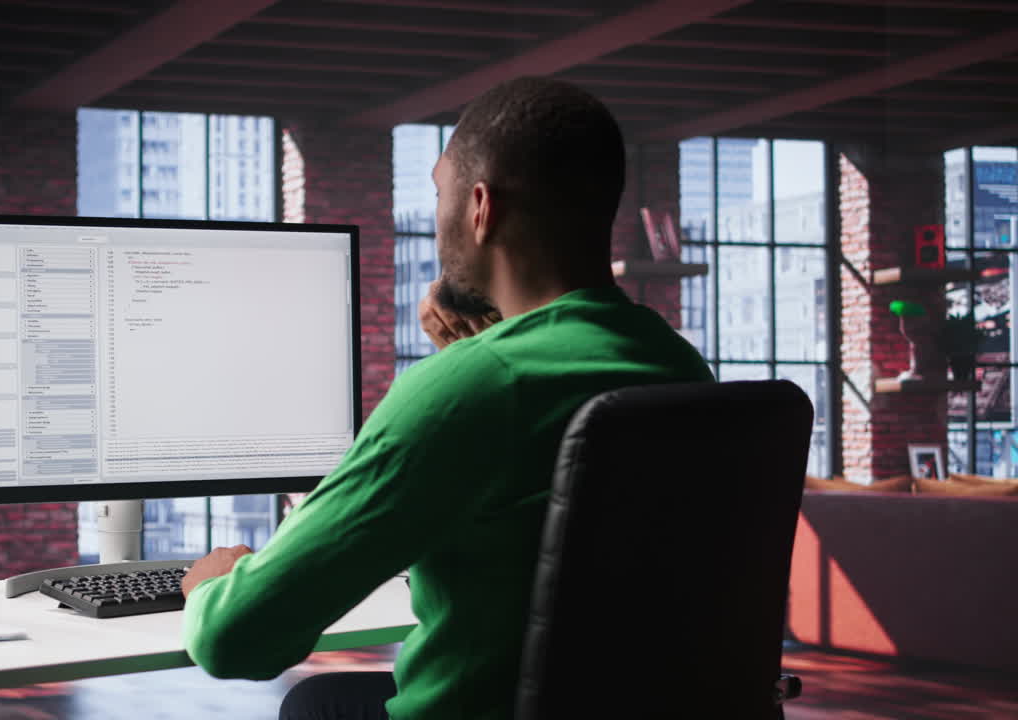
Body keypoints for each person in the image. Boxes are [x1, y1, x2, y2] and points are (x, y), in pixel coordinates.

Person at [180, 76, 714, 719]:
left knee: (311, 706)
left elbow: (237, 641)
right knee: (330, 698)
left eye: (440, 193)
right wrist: (480, 361)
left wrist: (208, 588)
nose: (437, 215)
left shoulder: (471, 388)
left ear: (480, 207)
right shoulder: (678, 366)